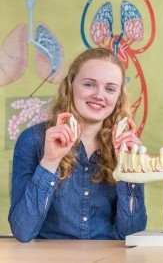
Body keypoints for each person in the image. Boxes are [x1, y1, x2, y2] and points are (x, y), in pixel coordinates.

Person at [8, 47, 147, 242]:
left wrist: (129, 168)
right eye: (89, 84)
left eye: (110, 88)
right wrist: (50, 161)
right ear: (70, 84)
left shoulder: (126, 147)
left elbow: (132, 233)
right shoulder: (33, 140)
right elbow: (23, 231)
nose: (99, 95)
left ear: (118, 98)